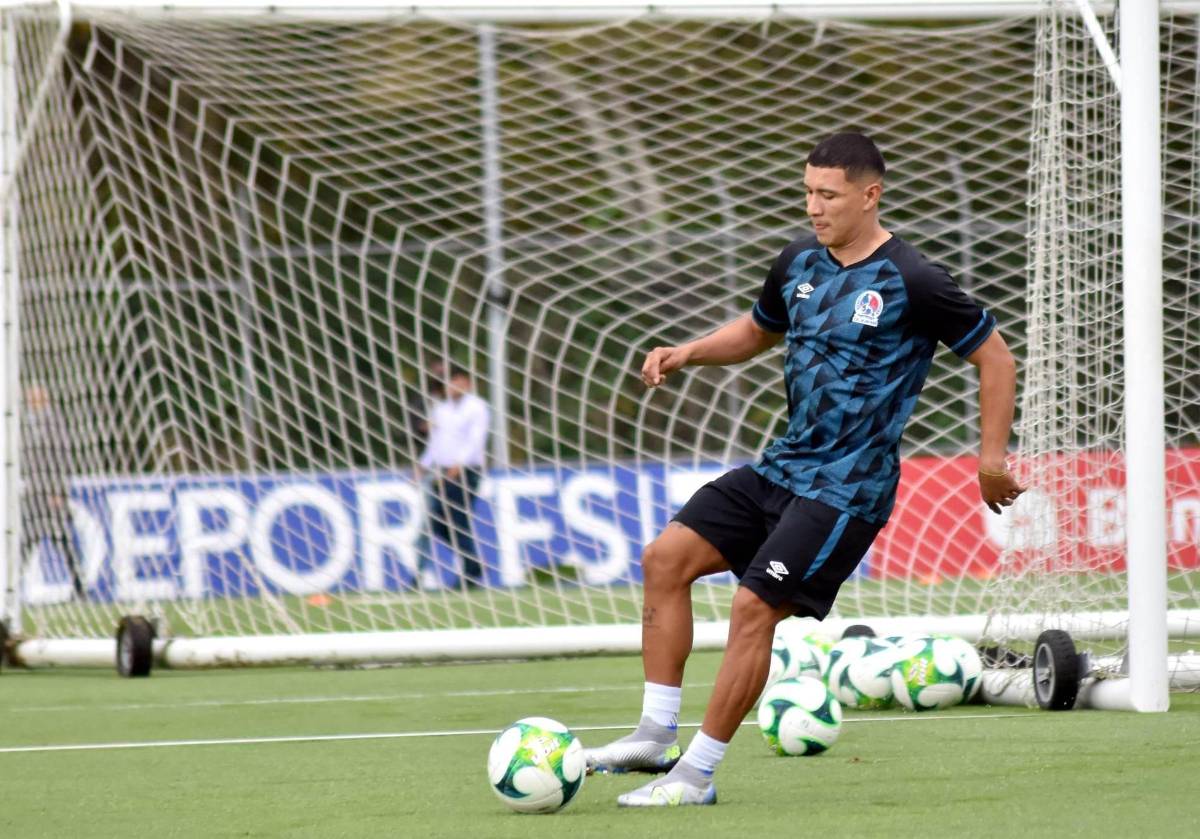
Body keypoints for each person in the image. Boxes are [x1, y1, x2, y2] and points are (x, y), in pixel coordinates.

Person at [584, 132, 1025, 807]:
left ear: (870, 194)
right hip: (783, 466)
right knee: (663, 558)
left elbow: (994, 357)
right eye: (808, 192)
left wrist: (990, 458)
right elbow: (759, 331)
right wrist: (689, 351)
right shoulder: (797, 260)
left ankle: (696, 773)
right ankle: (654, 734)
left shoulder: (915, 279)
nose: (814, 207)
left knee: (753, 606)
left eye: (829, 194)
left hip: (849, 487)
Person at [417, 366, 490, 589]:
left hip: (467, 471)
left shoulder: (477, 407)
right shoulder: (442, 409)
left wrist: (460, 462)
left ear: (466, 383)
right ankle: (472, 564)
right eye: (449, 382)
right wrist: (423, 465)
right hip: (444, 472)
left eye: (457, 381)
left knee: (457, 519)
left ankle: (470, 570)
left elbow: (476, 438)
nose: (452, 386)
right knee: (439, 522)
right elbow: (436, 443)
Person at [21, 383, 84, 598]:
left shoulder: (54, 424)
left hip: (50, 493)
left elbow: (63, 458)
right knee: (25, 541)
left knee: (62, 541)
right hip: (32, 492)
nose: (30, 400)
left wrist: (59, 491)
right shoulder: (25, 422)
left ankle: (79, 587)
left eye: (34, 397)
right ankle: (11, 587)